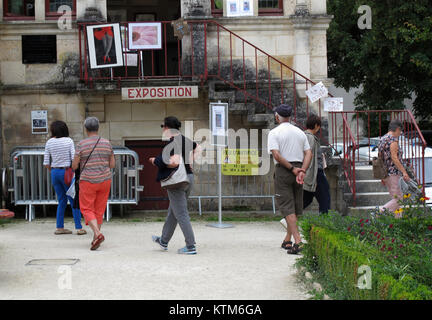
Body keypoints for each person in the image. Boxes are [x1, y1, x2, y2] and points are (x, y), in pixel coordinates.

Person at [150, 116, 200, 255]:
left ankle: (190, 246)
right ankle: (164, 240)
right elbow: (198, 148)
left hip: (177, 181)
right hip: (188, 177)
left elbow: (173, 162)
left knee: (181, 213)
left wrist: (156, 161)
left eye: (163, 127)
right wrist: (190, 162)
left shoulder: (172, 143)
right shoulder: (185, 139)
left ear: (167, 128)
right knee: (174, 211)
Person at [268, 104, 312, 254]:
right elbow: (308, 153)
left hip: (284, 170)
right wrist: (302, 171)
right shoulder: (300, 132)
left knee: (287, 207)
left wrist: (292, 169)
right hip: (299, 168)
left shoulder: (274, 133)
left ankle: (298, 241)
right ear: (290, 116)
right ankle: (288, 239)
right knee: (294, 207)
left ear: (277, 116)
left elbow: (277, 155)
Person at [72, 117, 115, 250]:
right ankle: (96, 238)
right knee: (99, 209)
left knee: (86, 208)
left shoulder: (81, 144)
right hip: (105, 180)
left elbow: (74, 166)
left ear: (85, 129)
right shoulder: (107, 143)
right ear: (98, 128)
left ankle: (97, 233)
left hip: (88, 181)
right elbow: (112, 164)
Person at [43, 121, 86, 236]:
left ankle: (59, 227)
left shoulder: (49, 142)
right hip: (67, 172)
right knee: (73, 200)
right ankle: (79, 227)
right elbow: (74, 158)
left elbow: (46, 162)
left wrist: (53, 170)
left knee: (61, 200)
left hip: (54, 172)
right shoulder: (68, 141)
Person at [378, 119, 410, 216]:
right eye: (400, 131)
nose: (400, 133)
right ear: (397, 129)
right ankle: (380, 212)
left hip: (386, 173)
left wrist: (382, 176)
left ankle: (398, 225)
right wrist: (404, 172)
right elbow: (394, 158)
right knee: (398, 199)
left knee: (396, 201)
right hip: (394, 173)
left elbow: (380, 158)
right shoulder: (392, 140)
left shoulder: (382, 139)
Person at [303, 115, 331, 214]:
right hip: (315, 172)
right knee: (325, 197)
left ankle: (289, 216)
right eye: (319, 126)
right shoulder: (310, 137)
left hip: (313, 172)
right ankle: (325, 221)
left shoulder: (306, 136)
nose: (319, 128)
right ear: (316, 125)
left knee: (307, 198)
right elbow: (308, 154)